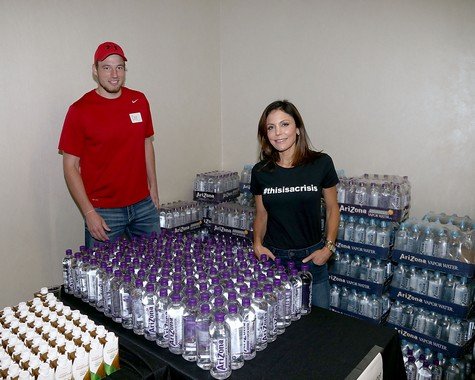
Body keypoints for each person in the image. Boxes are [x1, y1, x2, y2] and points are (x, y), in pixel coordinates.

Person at [58, 41, 160, 248]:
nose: (114, 74)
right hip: (104, 212)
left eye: (119, 67)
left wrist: (154, 188)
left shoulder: (139, 100)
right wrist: (88, 213)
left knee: (155, 270)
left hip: (143, 207)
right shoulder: (79, 110)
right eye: (106, 67)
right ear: (95, 71)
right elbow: (70, 167)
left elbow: (146, 144)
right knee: (103, 276)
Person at [250, 100, 340, 308]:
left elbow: (333, 208)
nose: (278, 133)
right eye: (271, 127)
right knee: (278, 328)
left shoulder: (321, 163)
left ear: (297, 129)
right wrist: (256, 243)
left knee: (320, 325)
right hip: (275, 260)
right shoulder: (261, 171)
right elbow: (261, 214)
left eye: (285, 124)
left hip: (312, 258)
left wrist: (328, 248)